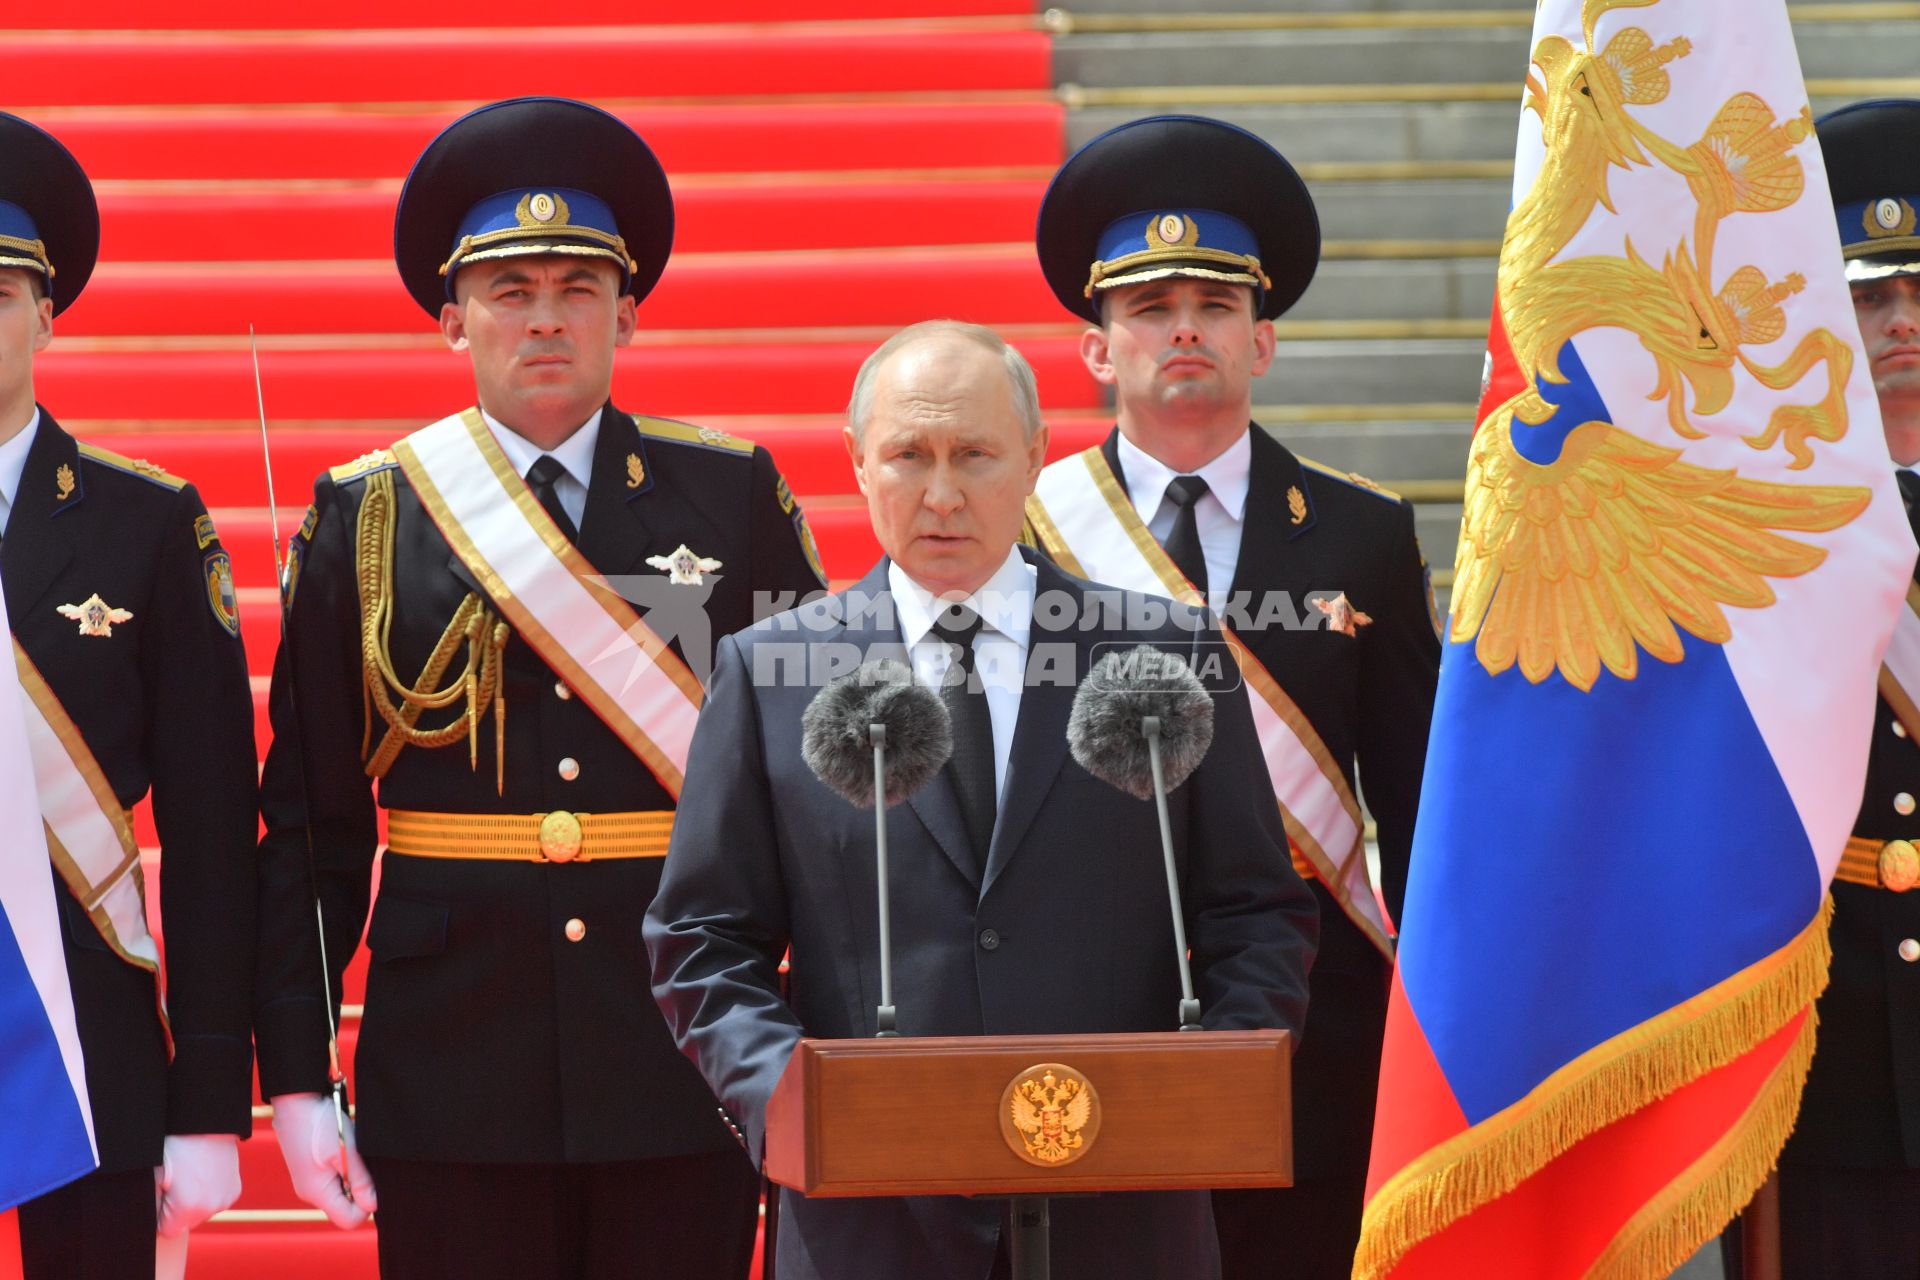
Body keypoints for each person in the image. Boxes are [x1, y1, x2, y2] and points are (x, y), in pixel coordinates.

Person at [253, 96, 828, 1279]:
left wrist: (815, 1037)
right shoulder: (368, 514)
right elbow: (312, 827)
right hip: (452, 1060)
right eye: (511, 291)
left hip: (685, 1047)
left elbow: (816, 787)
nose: (546, 318)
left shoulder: (730, 496)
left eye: (577, 287)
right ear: (452, 317)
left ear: (629, 309)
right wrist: (299, 1075)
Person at [645, 319, 1321, 1280]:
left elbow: (1255, 909)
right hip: (873, 1225)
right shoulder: (771, 675)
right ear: (857, 464)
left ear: (1038, 455)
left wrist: (1209, 1083)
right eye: (909, 456)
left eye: (974, 454)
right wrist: (787, 1100)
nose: (943, 494)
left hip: (1125, 1219)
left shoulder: (1168, 658)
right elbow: (703, 936)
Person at [1023, 114, 1442, 1277]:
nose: (1184, 331)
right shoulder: (1029, 530)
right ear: (1098, 349)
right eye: (1150, 310)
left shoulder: (1363, 531)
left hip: (1317, 992)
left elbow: (1414, 790)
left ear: (1263, 341)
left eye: (1213, 307)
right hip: (1092, 977)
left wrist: (1440, 994)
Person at [0, 111, 257, 1274]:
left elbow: (210, 828)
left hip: (85, 1030)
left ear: (46, 311)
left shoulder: (147, 522)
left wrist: (208, 1090)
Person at [1769, 97, 1920, 1279]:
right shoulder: (1769, 515)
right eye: (1869, 296)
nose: (1902, 321)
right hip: (1832, 1010)